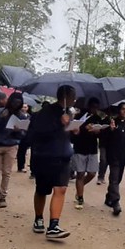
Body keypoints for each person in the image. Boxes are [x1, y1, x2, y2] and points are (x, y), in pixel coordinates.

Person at [26, 84, 77, 239]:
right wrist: (58, 124)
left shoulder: (69, 113)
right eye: (73, 96)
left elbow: (66, 136)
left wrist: (74, 130)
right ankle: (38, 218)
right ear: (66, 97)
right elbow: (37, 133)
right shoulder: (45, 112)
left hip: (63, 156)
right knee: (42, 190)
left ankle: (54, 226)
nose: (74, 100)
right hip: (45, 157)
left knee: (61, 189)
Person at [0, 93, 27, 208]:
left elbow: (23, 135)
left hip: (11, 146)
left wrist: (18, 131)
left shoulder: (22, 116)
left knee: (6, 172)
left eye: (19, 103)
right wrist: (1, 119)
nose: (16, 104)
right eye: (14, 102)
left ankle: (2, 197)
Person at [69, 97, 105, 209]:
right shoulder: (80, 117)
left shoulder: (98, 118)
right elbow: (72, 135)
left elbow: (102, 134)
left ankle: (80, 186)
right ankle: (80, 197)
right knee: (80, 173)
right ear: (89, 106)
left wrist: (97, 131)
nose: (95, 109)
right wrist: (78, 131)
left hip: (92, 149)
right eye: (93, 107)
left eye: (97, 107)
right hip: (80, 148)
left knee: (92, 173)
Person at [101, 101, 125, 216]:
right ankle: (116, 203)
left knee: (118, 179)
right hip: (113, 156)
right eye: (123, 109)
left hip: (124, 156)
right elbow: (104, 139)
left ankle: (109, 197)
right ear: (119, 110)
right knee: (114, 179)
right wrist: (111, 130)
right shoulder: (112, 122)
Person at [16, 103, 32, 172]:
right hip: (19, 134)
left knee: (23, 151)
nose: (24, 108)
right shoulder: (18, 115)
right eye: (23, 107)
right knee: (20, 151)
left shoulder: (30, 116)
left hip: (26, 135)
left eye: (25, 107)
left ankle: (22, 166)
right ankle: (20, 166)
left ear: (27, 108)